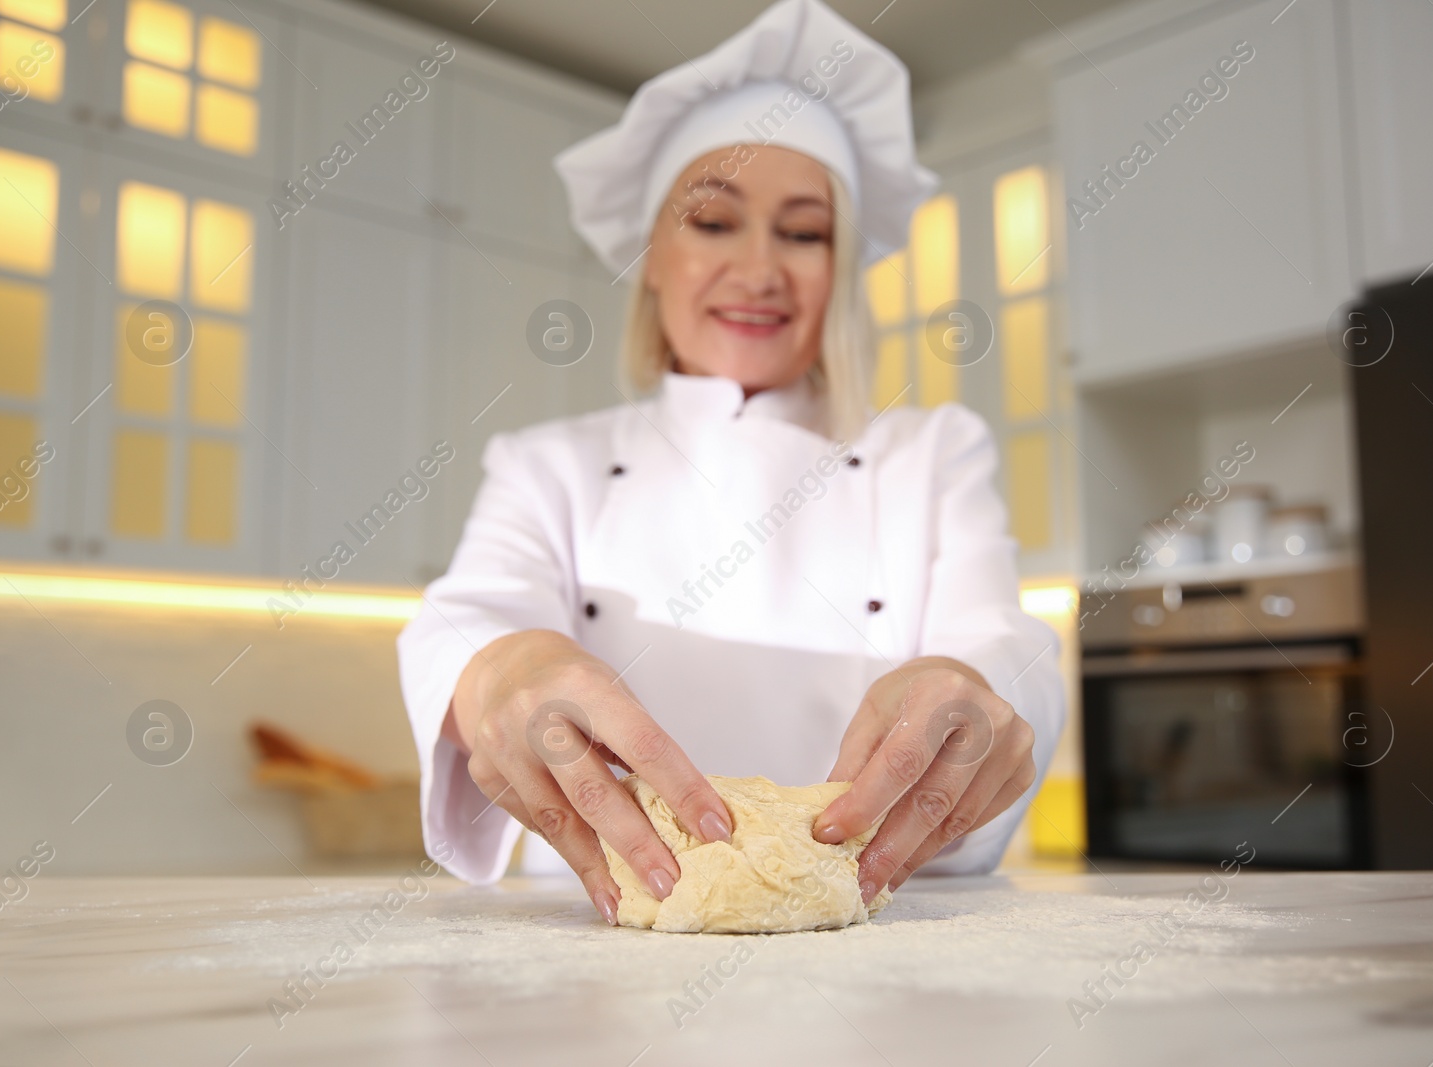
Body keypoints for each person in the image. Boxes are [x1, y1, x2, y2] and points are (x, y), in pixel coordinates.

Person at [397, 0, 1064, 926]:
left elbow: (1001, 638)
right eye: (713, 220)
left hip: (890, 931)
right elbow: (469, 619)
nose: (760, 269)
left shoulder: (930, 451)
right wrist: (502, 670)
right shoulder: (549, 464)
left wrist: (971, 690)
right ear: (654, 255)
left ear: (840, 268)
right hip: (598, 944)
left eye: (803, 231)